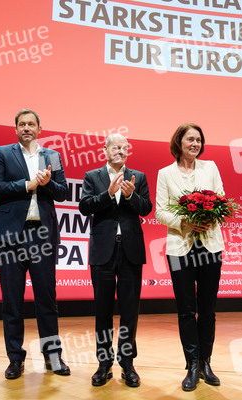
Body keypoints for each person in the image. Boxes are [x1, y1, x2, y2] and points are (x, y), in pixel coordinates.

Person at [0, 109, 70, 379]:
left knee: (47, 299)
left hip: (42, 236)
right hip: (9, 238)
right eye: (21, 124)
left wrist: (44, 184)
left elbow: (63, 191)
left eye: (31, 124)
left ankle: (52, 357)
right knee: (12, 300)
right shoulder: (2, 152)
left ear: (39, 129)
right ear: (15, 129)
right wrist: (27, 184)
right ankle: (15, 358)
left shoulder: (52, 156)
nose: (26, 128)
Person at [79, 134, 152, 387]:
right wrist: (108, 194)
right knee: (103, 310)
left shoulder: (139, 177)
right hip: (103, 251)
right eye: (115, 147)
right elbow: (85, 206)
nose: (120, 151)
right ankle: (104, 363)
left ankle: (128, 363)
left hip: (130, 250)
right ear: (105, 150)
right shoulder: (92, 176)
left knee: (130, 311)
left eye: (124, 148)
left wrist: (131, 197)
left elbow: (146, 209)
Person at [155, 123, 224, 391]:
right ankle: (192, 364)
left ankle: (206, 362)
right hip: (179, 248)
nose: (195, 144)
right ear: (179, 142)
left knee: (208, 309)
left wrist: (207, 218)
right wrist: (186, 223)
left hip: (210, 245)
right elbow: (160, 211)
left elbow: (220, 198)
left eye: (198, 140)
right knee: (186, 310)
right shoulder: (165, 173)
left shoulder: (211, 167)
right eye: (190, 139)